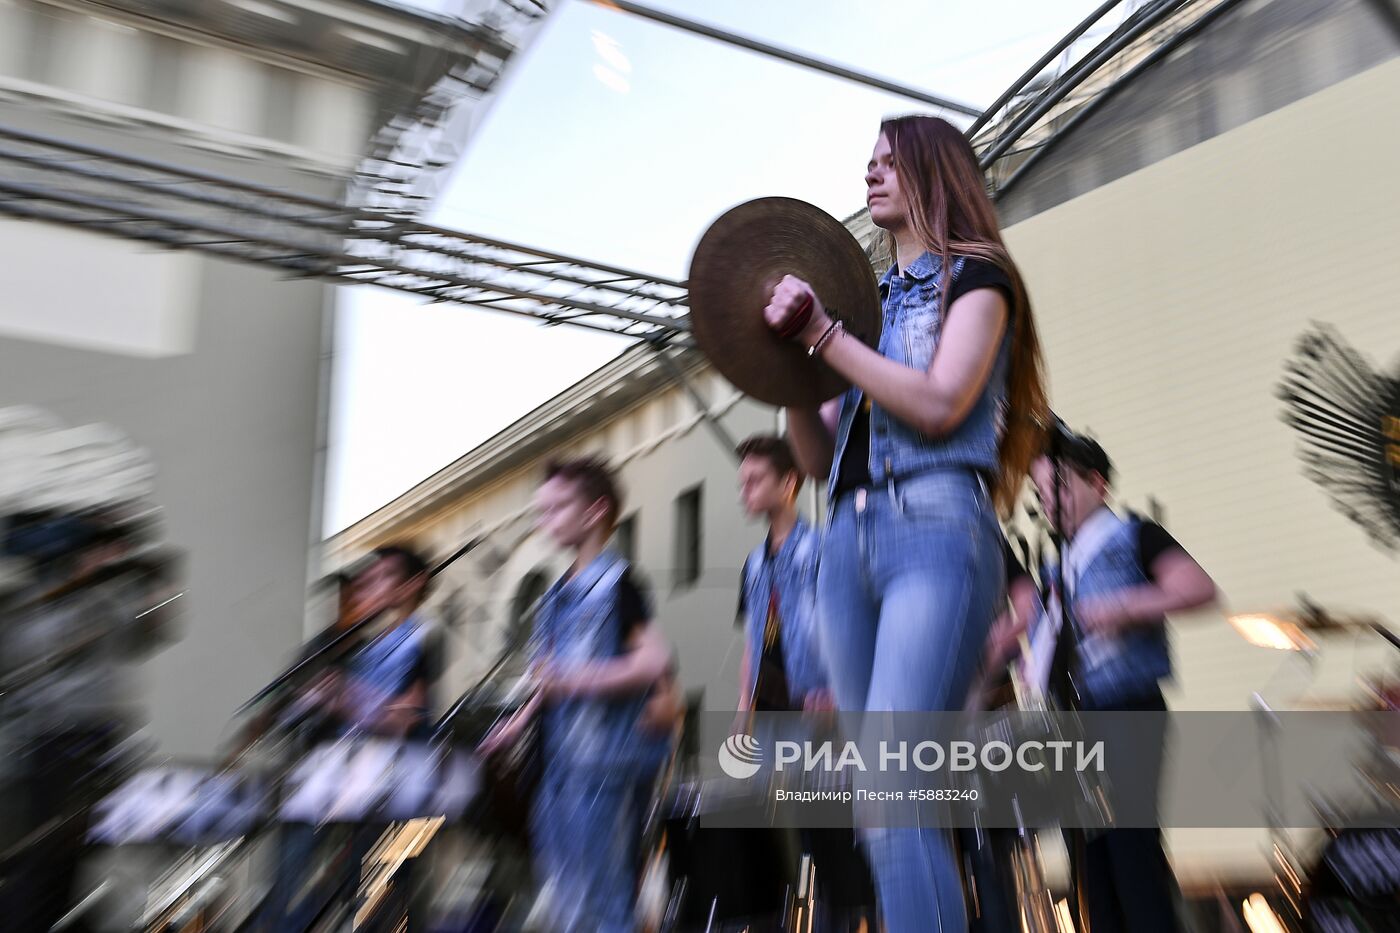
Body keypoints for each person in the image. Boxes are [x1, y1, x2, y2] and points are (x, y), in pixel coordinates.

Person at [767, 114, 1050, 931]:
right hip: (844, 543)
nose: (871, 171)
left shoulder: (979, 279)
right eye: (868, 161)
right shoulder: (858, 307)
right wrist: (791, 366)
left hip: (934, 524)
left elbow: (936, 403)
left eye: (891, 160)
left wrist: (821, 335)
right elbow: (820, 459)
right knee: (881, 808)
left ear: (936, 173)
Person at [1022, 430, 1217, 933]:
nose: (1051, 504)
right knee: (1093, 867)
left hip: (1125, 710)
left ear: (1098, 484)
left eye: (1061, 488)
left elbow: (1197, 588)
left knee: (1132, 852)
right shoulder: (1054, 567)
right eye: (1043, 495)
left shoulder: (1134, 535)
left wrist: (1126, 606)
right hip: (1071, 723)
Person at [481, 457, 673, 933]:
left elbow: (651, 661)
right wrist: (519, 722)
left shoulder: (619, 583)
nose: (545, 519)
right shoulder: (551, 596)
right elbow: (546, 682)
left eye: (557, 507)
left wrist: (571, 680)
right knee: (566, 903)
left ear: (594, 512)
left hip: (602, 768)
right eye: (541, 510)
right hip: (555, 769)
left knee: (604, 902)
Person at [734, 434, 875, 931]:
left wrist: (840, 692)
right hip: (771, 722)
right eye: (741, 482)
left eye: (755, 480)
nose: (744, 490)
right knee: (791, 850)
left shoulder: (822, 548)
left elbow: (845, 622)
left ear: (789, 483)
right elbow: (753, 641)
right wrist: (740, 715)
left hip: (819, 716)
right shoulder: (752, 565)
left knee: (834, 837)